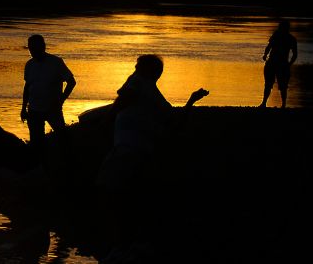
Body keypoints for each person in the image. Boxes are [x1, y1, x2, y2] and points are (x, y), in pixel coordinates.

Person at [97, 54, 208, 255]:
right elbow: (175, 123)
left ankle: (120, 246)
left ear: (146, 71)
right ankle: (134, 243)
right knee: (133, 198)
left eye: (137, 66)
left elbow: (125, 97)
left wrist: (107, 119)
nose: (134, 68)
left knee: (111, 194)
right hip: (142, 153)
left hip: (127, 151)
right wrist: (191, 101)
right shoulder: (154, 94)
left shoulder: (138, 82)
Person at [20, 34, 76, 149]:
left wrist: (61, 100)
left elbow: (71, 82)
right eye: (31, 48)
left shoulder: (56, 62)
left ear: (43, 47)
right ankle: (40, 164)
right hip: (34, 110)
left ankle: (68, 161)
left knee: (63, 138)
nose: (33, 51)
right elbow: (27, 87)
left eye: (35, 47)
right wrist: (23, 108)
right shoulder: (29, 65)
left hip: (53, 109)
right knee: (36, 142)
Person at [260, 20, 298, 108]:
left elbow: (295, 54)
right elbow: (269, 47)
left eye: (280, 27)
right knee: (272, 84)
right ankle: (265, 103)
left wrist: (289, 64)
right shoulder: (282, 36)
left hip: (280, 64)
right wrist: (265, 54)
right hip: (276, 63)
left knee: (281, 85)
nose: (280, 28)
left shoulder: (287, 38)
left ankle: (280, 104)